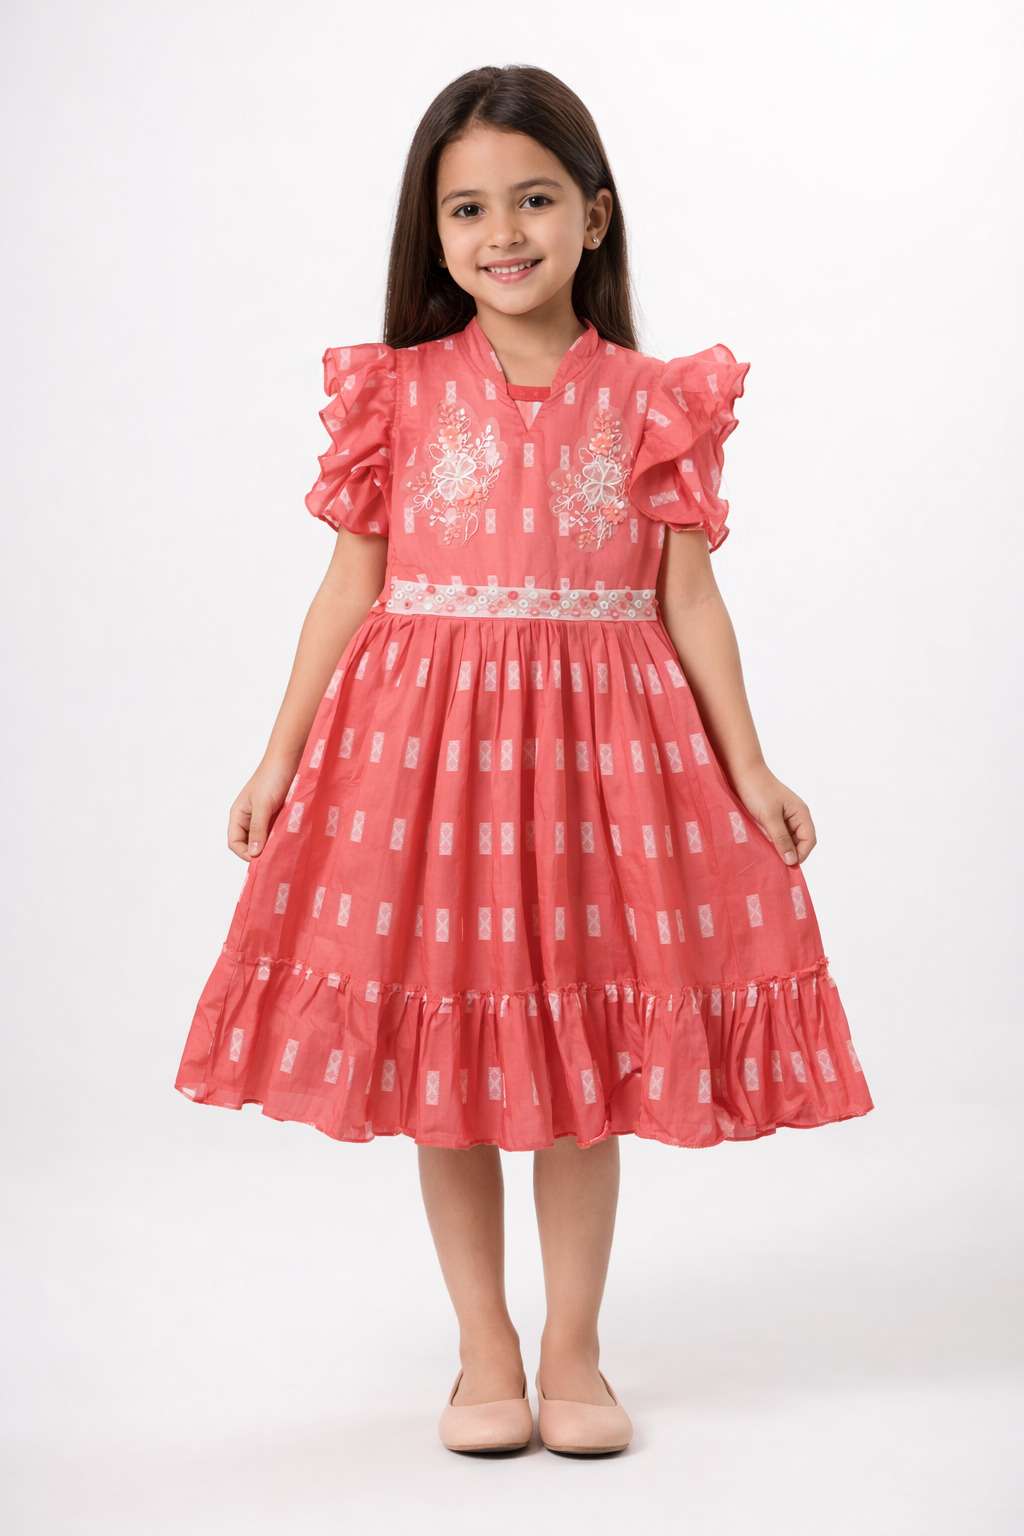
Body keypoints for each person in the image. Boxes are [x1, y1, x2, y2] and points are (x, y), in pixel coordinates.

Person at [174, 63, 875, 1457]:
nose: (504, 232)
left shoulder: (654, 400)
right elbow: (349, 585)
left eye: (536, 199)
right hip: (423, 763)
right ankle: (482, 1347)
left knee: (580, 1057)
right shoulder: (398, 393)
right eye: (468, 209)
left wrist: (751, 769)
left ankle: (573, 1349)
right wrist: (277, 756)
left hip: (602, 767)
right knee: (448, 1060)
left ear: (594, 216)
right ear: (433, 234)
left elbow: (688, 600)